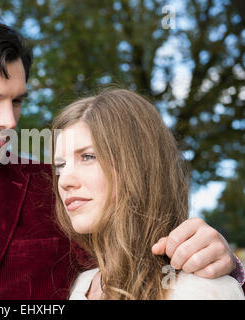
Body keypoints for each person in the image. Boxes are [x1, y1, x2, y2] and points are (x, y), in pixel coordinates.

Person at [0, 17, 244, 300]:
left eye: (17, 101)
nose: (9, 120)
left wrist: (223, 262)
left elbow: (139, 259)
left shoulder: (56, 189)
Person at [51, 88, 245, 299]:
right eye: (60, 166)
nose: (64, 181)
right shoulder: (77, 286)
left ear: (138, 165)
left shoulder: (199, 290)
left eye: (88, 156)